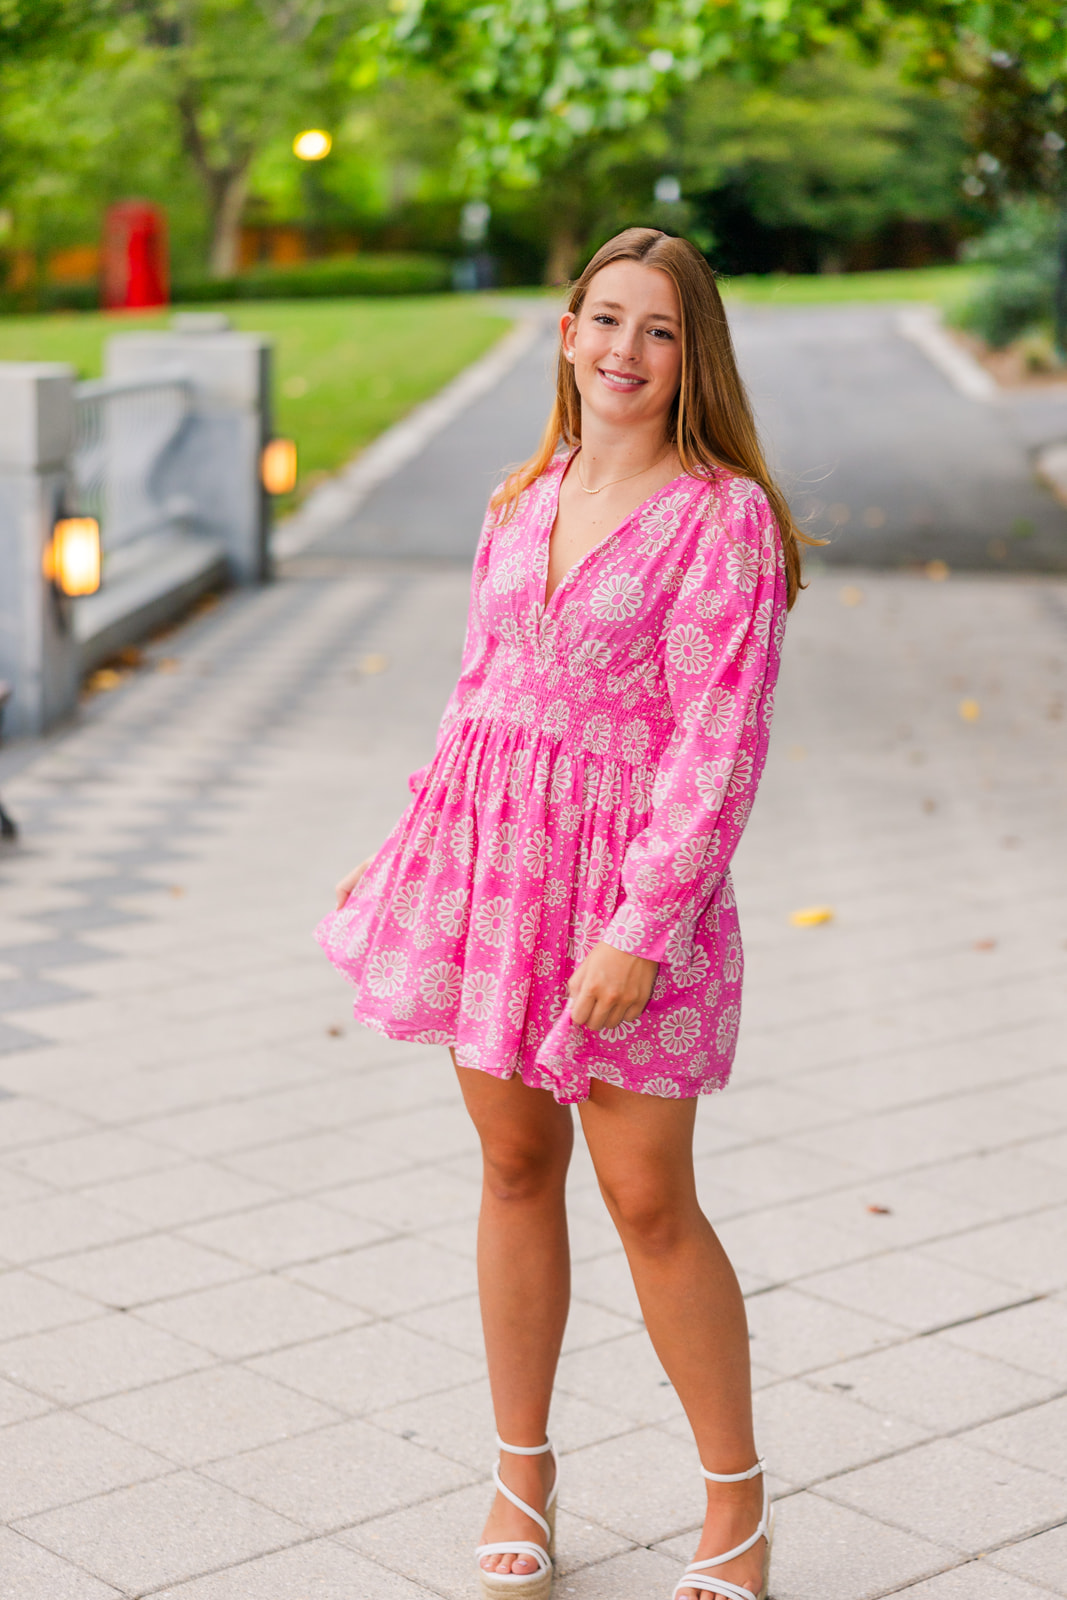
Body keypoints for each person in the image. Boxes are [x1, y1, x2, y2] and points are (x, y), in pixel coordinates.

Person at [318, 227, 808, 1600]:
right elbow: (475, 695)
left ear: (692, 353)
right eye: (605, 320)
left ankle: (736, 1510)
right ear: (566, 331)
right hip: (493, 876)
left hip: (630, 891)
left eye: (658, 330)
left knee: (649, 1197)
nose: (625, 353)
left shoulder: (725, 520)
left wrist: (640, 929)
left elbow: (719, 745)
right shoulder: (518, 498)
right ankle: (519, 1478)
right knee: (515, 1169)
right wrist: (405, 840)